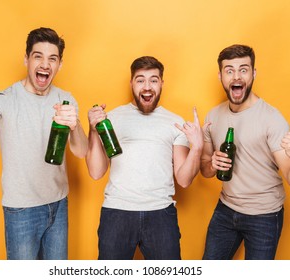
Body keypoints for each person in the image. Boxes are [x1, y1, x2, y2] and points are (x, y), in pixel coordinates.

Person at [0, 27, 88, 260]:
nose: (45, 64)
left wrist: (76, 126)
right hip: (22, 211)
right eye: (38, 56)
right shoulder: (5, 99)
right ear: (26, 59)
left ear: (59, 65)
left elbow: (81, 151)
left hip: (59, 206)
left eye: (52, 59)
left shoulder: (66, 100)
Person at [86, 56, 205, 260]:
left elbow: (184, 180)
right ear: (131, 83)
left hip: (160, 214)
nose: (147, 86)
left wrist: (197, 147)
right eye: (140, 80)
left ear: (161, 83)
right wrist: (93, 130)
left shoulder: (175, 123)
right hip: (117, 212)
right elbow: (96, 172)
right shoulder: (112, 118)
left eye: (153, 80)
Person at [200, 44, 290, 260]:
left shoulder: (272, 119)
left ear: (253, 74)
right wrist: (211, 163)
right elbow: (205, 168)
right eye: (229, 70)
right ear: (220, 76)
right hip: (226, 209)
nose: (236, 76)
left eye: (243, 69)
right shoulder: (213, 116)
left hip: (264, 215)